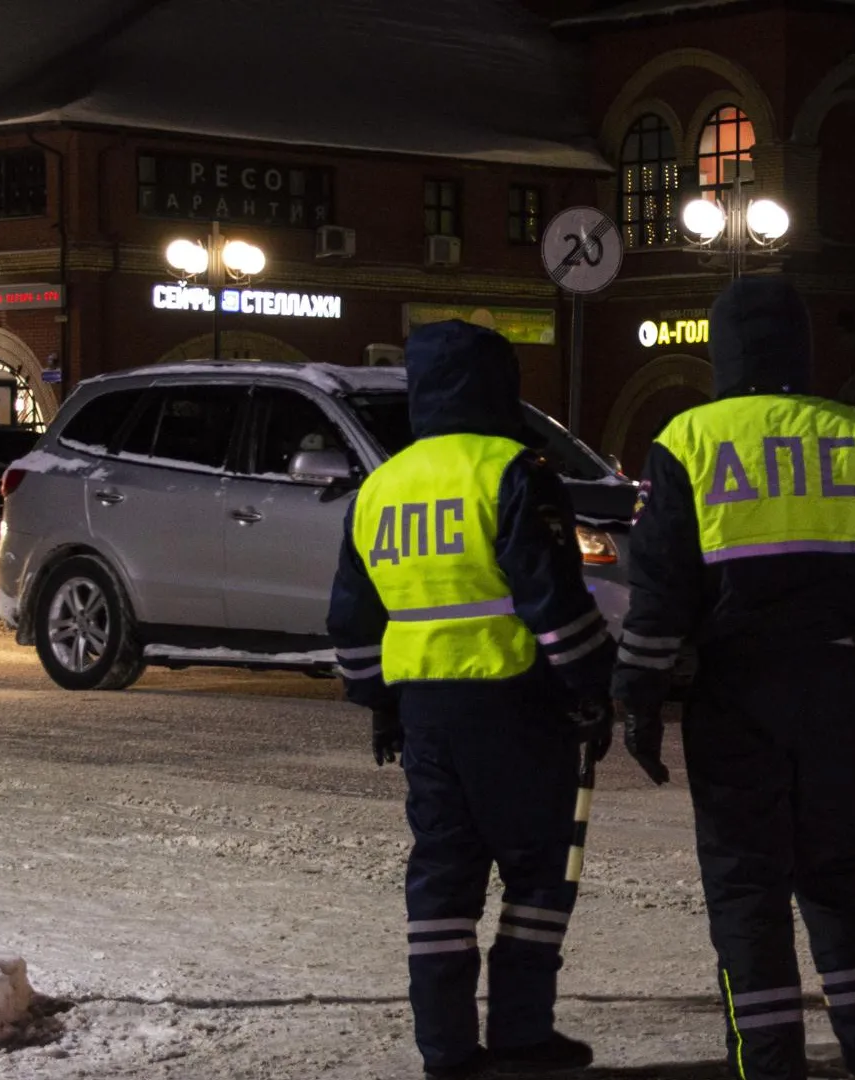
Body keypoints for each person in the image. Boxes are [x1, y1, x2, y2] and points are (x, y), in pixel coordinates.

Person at [611, 275, 855, 1080]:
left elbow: (659, 591)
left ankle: (768, 1066)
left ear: (722, 350)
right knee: (842, 882)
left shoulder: (688, 440)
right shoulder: (854, 436)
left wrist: (640, 698)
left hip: (734, 692)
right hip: (829, 685)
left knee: (748, 893)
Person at [328, 320, 615, 1078]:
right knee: (539, 874)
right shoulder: (513, 469)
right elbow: (551, 600)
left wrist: (379, 703)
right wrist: (593, 689)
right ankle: (522, 1037)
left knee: (443, 882)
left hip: (425, 715)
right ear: (499, 386)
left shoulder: (380, 487)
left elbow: (352, 620)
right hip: (514, 707)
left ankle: (447, 1053)